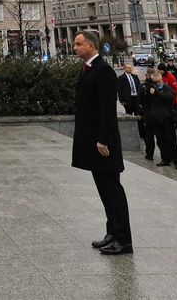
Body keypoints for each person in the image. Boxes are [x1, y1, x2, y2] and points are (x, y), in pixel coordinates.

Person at [72, 30, 132, 255]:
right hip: (92, 141)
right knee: (104, 190)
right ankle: (112, 233)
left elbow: (108, 109)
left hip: (103, 143)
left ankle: (124, 240)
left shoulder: (104, 71)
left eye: (78, 44)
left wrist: (103, 140)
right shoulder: (88, 67)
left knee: (112, 191)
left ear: (91, 46)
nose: (75, 48)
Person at [141, 68, 177, 168]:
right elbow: (146, 102)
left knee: (171, 140)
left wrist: (156, 93)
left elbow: (169, 98)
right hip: (156, 120)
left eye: (158, 82)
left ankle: (176, 160)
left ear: (161, 80)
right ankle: (165, 159)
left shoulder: (166, 88)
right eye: (154, 82)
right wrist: (147, 91)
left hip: (167, 119)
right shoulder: (151, 90)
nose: (156, 84)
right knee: (161, 141)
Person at [116, 63, 148, 157]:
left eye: (131, 68)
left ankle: (142, 132)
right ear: (125, 69)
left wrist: (140, 98)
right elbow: (120, 90)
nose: (130, 69)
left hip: (136, 98)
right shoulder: (121, 78)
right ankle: (132, 131)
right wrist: (122, 100)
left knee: (139, 116)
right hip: (128, 99)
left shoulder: (135, 76)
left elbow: (139, 87)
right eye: (129, 68)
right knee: (129, 115)